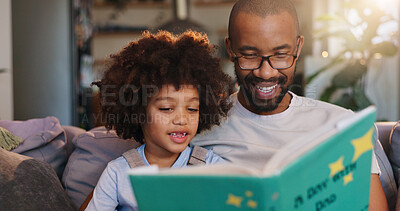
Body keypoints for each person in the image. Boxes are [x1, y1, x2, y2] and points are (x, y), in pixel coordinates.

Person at [190, 0, 388, 210]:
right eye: (249, 56)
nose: (266, 73)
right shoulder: (195, 126)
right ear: (230, 49)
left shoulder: (343, 125)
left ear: (298, 47)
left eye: (281, 55)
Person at [85, 30, 232, 210]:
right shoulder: (118, 173)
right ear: (138, 112)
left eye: (192, 109)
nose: (182, 119)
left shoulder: (213, 167)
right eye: (166, 108)